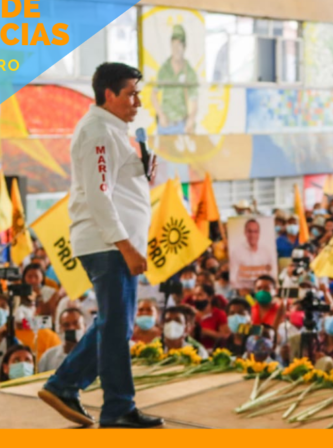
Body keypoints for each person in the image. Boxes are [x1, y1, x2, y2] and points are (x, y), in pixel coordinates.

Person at [38, 62, 163, 429]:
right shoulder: (98, 131)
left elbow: (112, 186)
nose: (138, 101)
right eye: (131, 94)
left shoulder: (111, 130)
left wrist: (141, 172)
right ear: (109, 94)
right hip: (108, 244)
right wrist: (127, 246)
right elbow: (98, 195)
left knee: (115, 325)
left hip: (112, 243)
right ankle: (118, 407)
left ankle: (64, 386)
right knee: (116, 327)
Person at [150, 24, 199, 135]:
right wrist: (161, 115)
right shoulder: (164, 69)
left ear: (184, 47)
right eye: (174, 45)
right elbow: (153, 95)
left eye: (179, 45)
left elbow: (194, 102)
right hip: (165, 126)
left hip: (182, 125)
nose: (176, 49)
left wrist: (191, 120)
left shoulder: (189, 71)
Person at [230, 218, 278, 291]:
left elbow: (272, 274)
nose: (252, 235)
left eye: (255, 231)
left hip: (263, 291)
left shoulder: (266, 251)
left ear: (259, 233)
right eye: (250, 231)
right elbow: (233, 278)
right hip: (243, 291)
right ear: (245, 232)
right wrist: (240, 290)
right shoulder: (236, 252)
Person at [39, 308, 86, 373]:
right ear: (60, 329)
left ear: (84, 327)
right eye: (66, 325)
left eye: (76, 323)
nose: (71, 328)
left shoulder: (95, 355)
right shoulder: (48, 357)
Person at [192, 284, 228, 350]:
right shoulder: (191, 314)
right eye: (194, 295)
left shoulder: (219, 314)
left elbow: (225, 337)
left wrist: (206, 332)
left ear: (210, 297)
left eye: (200, 295)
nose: (196, 298)